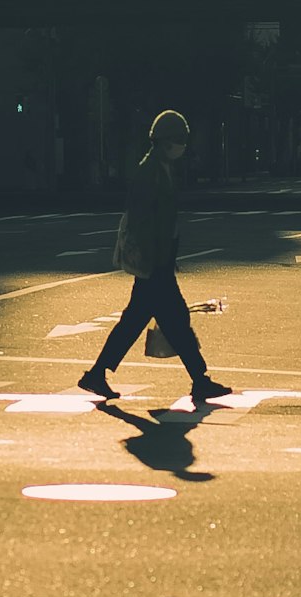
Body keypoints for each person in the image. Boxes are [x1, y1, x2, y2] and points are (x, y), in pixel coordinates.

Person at [82, 107, 225, 410]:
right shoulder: (150, 172)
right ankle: (200, 380)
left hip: (157, 261)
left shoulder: (159, 168)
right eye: (178, 139)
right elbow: (145, 220)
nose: (182, 146)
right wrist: (156, 259)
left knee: (140, 321)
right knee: (174, 321)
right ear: (162, 141)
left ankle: (97, 373)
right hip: (154, 262)